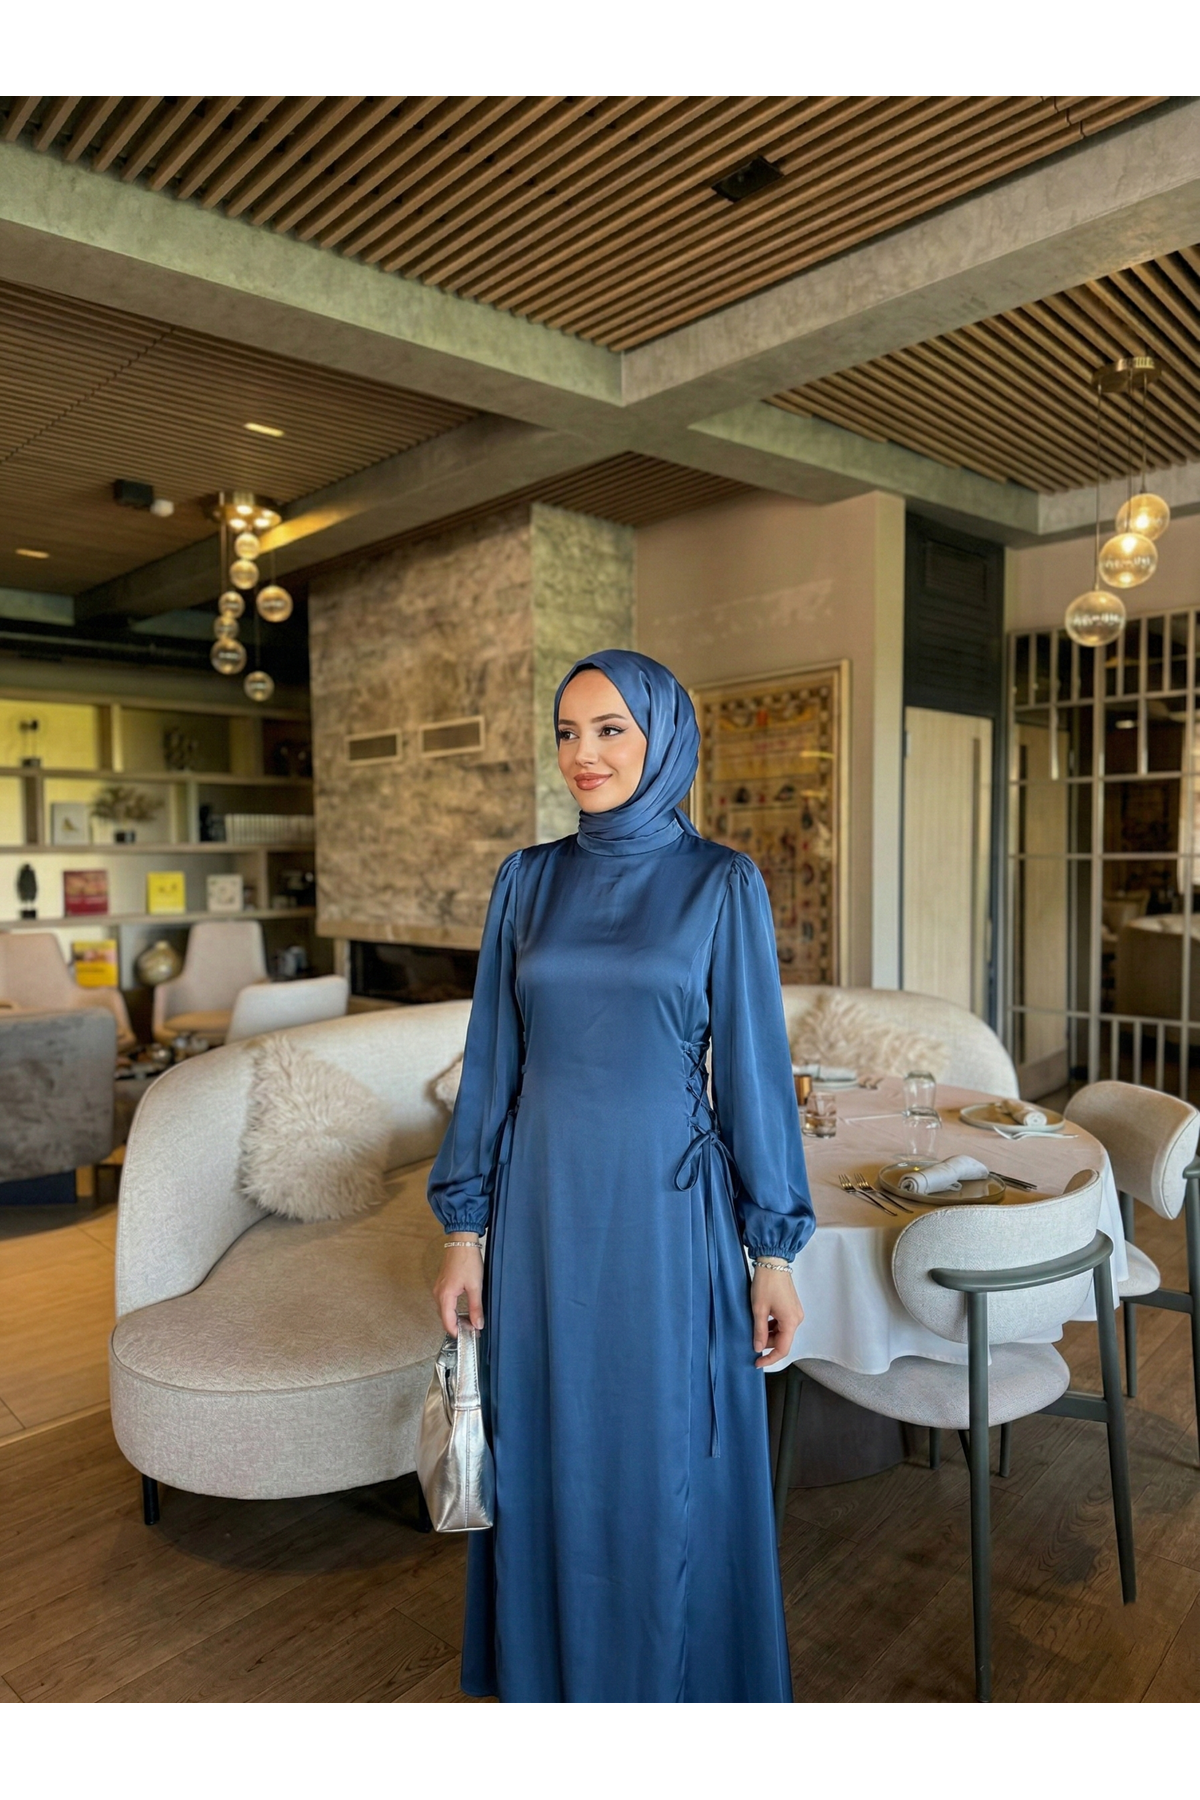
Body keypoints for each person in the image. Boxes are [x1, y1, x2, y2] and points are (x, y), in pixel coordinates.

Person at [429, 648, 813, 1704]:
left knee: (658, 1458)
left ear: (664, 740)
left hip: (665, 1219)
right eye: (567, 731)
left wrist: (773, 1250)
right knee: (549, 1447)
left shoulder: (721, 883)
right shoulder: (526, 880)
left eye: (610, 730)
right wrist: (464, 1231)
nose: (583, 754)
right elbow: (492, 1067)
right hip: (541, 1219)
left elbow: (754, 1077)